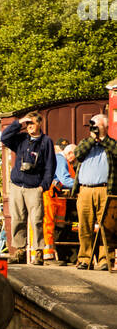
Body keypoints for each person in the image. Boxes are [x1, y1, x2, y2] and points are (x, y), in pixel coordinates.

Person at [0, 110, 56, 265]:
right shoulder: (22, 139)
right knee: (17, 219)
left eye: (32, 123)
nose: (30, 126)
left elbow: (50, 166)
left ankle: (38, 252)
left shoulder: (46, 142)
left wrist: (43, 186)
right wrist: (19, 123)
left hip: (34, 187)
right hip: (17, 185)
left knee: (37, 220)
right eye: (28, 123)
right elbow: (4, 137)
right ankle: (19, 251)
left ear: (40, 123)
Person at [71, 114, 117, 271]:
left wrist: (103, 138)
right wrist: (93, 139)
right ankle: (85, 258)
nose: (94, 129)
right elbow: (78, 155)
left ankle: (105, 259)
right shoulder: (86, 143)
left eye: (97, 126)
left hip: (105, 189)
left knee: (106, 227)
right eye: (93, 126)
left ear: (105, 127)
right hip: (85, 190)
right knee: (85, 226)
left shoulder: (111, 144)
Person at [42, 139, 74, 264]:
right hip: (51, 196)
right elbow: (65, 180)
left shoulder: (60, 160)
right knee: (49, 225)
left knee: (56, 226)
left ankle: (55, 254)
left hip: (57, 197)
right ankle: (48, 255)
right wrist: (80, 184)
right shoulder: (60, 159)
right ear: (70, 153)